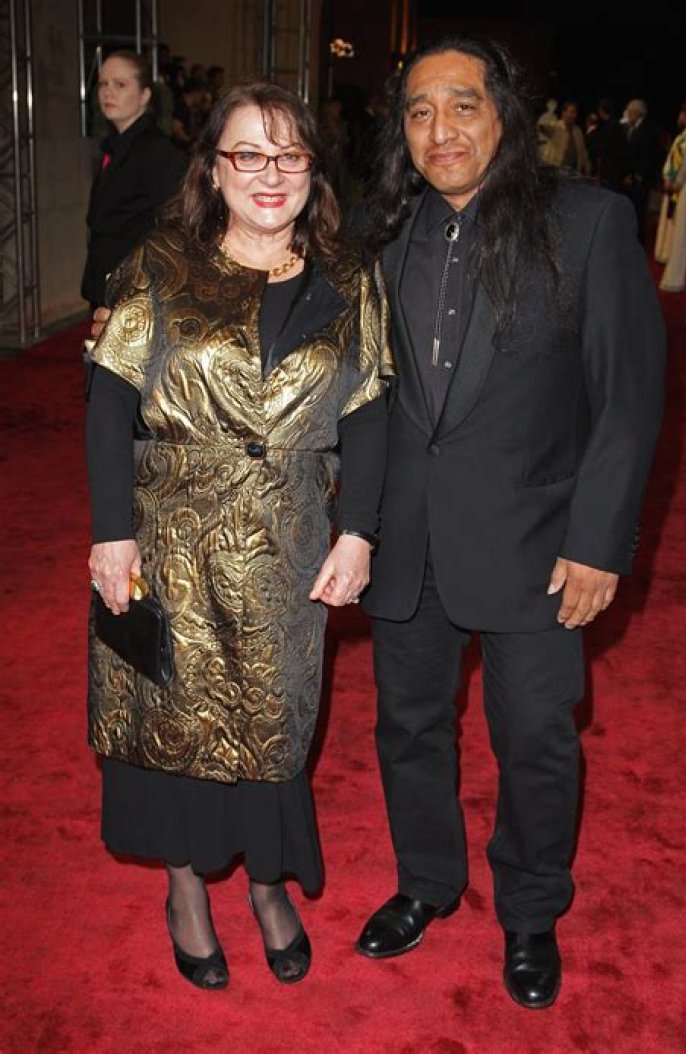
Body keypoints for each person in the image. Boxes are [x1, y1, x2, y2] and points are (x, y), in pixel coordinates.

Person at [352, 36, 665, 1010]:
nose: (439, 130)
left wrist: (597, 542)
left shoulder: (587, 222)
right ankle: (426, 881)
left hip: (538, 540)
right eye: (418, 112)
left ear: (504, 115)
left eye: (462, 105)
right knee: (408, 726)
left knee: (535, 736)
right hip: (408, 534)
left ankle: (530, 910)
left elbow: (627, 399)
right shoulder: (378, 230)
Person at [85, 81, 392, 992]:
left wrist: (357, 533)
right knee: (166, 721)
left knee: (273, 724)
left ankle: (266, 882)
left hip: (286, 545)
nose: (270, 173)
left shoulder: (351, 277)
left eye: (290, 154)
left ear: (313, 170)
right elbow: (107, 402)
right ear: (214, 169)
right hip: (168, 540)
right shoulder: (160, 263)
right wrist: (111, 536)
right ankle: (185, 889)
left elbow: (370, 412)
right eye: (248, 153)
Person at [81, 51, 187, 309]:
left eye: (120, 84)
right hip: (108, 289)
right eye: (103, 84)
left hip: (137, 297)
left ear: (144, 95)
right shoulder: (116, 147)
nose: (108, 92)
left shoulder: (157, 152)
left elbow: (179, 228)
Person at [655, 100, 686, 291]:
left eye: (683, 113)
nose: (680, 116)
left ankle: (676, 276)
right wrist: (667, 176)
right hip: (674, 183)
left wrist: (676, 182)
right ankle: (666, 254)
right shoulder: (683, 135)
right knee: (671, 223)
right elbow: (672, 157)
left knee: (681, 226)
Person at [623, 98, 664, 246]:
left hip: (641, 177)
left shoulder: (647, 130)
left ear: (636, 113)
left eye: (629, 112)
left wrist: (638, 174)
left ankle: (638, 241)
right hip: (634, 176)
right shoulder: (634, 128)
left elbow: (649, 155)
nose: (627, 115)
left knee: (639, 210)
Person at [542, 100, 591, 173]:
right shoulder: (556, 126)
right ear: (564, 113)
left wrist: (587, 167)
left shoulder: (577, 131)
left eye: (575, 113)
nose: (573, 115)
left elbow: (582, 150)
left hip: (573, 170)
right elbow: (543, 127)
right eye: (571, 112)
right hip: (557, 169)